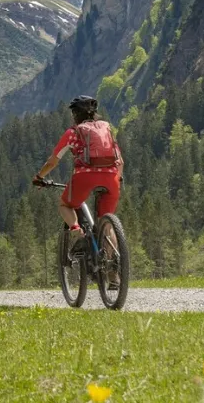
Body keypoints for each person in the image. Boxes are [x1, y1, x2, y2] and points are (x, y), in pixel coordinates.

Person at [33, 95, 124, 277]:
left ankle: (76, 233)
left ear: (75, 114)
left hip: (85, 177)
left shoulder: (73, 133)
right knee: (106, 225)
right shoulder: (106, 130)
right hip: (112, 177)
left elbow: (53, 161)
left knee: (65, 204)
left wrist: (39, 176)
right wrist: (116, 179)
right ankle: (114, 276)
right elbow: (119, 160)